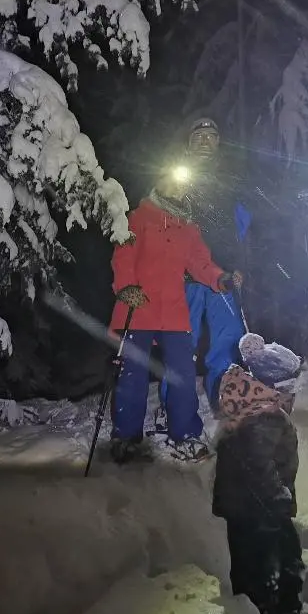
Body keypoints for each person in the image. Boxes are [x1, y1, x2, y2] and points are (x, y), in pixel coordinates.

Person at [109, 163, 240, 463]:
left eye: (183, 184)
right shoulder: (138, 218)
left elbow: (200, 263)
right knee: (133, 374)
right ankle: (126, 437)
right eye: (173, 181)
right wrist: (125, 287)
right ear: (159, 181)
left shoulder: (188, 228)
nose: (179, 188)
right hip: (138, 306)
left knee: (182, 373)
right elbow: (123, 255)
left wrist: (220, 279)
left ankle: (186, 434)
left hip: (173, 312)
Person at [158, 117, 252, 427]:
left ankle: (226, 404)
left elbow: (242, 226)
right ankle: (175, 413)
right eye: (199, 136)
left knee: (227, 344)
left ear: (218, 142)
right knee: (181, 345)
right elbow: (158, 225)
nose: (205, 141)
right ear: (188, 142)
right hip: (184, 276)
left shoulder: (230, 178)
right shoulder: (174, 178)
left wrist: (238, 264)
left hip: (221, 276)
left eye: (211, 136)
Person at [213, 335, 308, 614]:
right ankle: (280, 612)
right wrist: (279, 498)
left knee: (250, 561)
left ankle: (259, 609)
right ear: (275, 387)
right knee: (279, 560)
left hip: (244, 507)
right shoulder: (265, 417)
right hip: (262, 507)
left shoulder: (250, 404)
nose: (294, 394)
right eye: (290, 388)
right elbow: (259, 464)